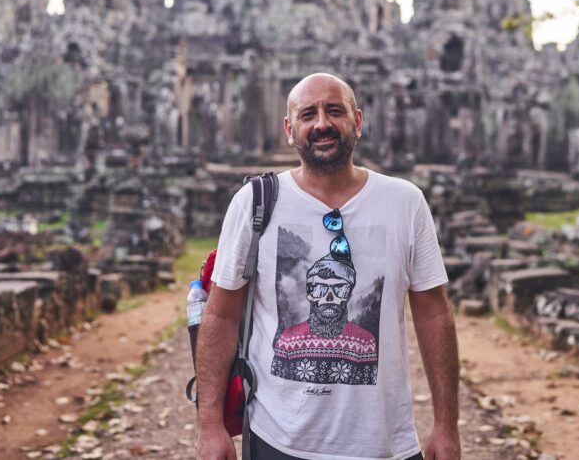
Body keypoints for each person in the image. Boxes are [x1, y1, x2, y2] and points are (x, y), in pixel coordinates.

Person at [196, 72, 461, 460]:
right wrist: (208, 425)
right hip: (278, 439)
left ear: (358, 121)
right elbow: (220, 314)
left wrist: (445, 424)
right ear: (290, 129)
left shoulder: (405, 203)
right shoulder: (253, 203)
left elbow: (434, 313)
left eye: (334, 111)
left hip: (384, 444)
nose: (322, 123)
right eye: (308, 114)